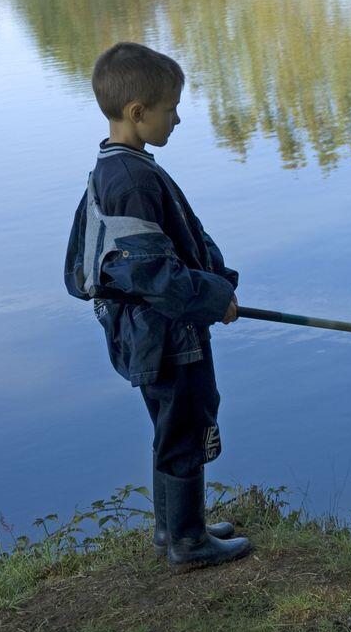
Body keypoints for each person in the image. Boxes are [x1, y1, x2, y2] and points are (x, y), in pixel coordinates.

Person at [64, 42, 252, 572]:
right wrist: (215, 299)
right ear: (137, 112)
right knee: (184, 423)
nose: (177, 118)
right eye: (170, 109)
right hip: (165, 333)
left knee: (174, 423)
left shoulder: (121, 165)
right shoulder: (131, 181)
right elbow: (151, 274)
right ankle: (188, 543)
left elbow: (173, 247)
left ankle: (173, 528)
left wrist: (218, 284)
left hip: (161, 330)